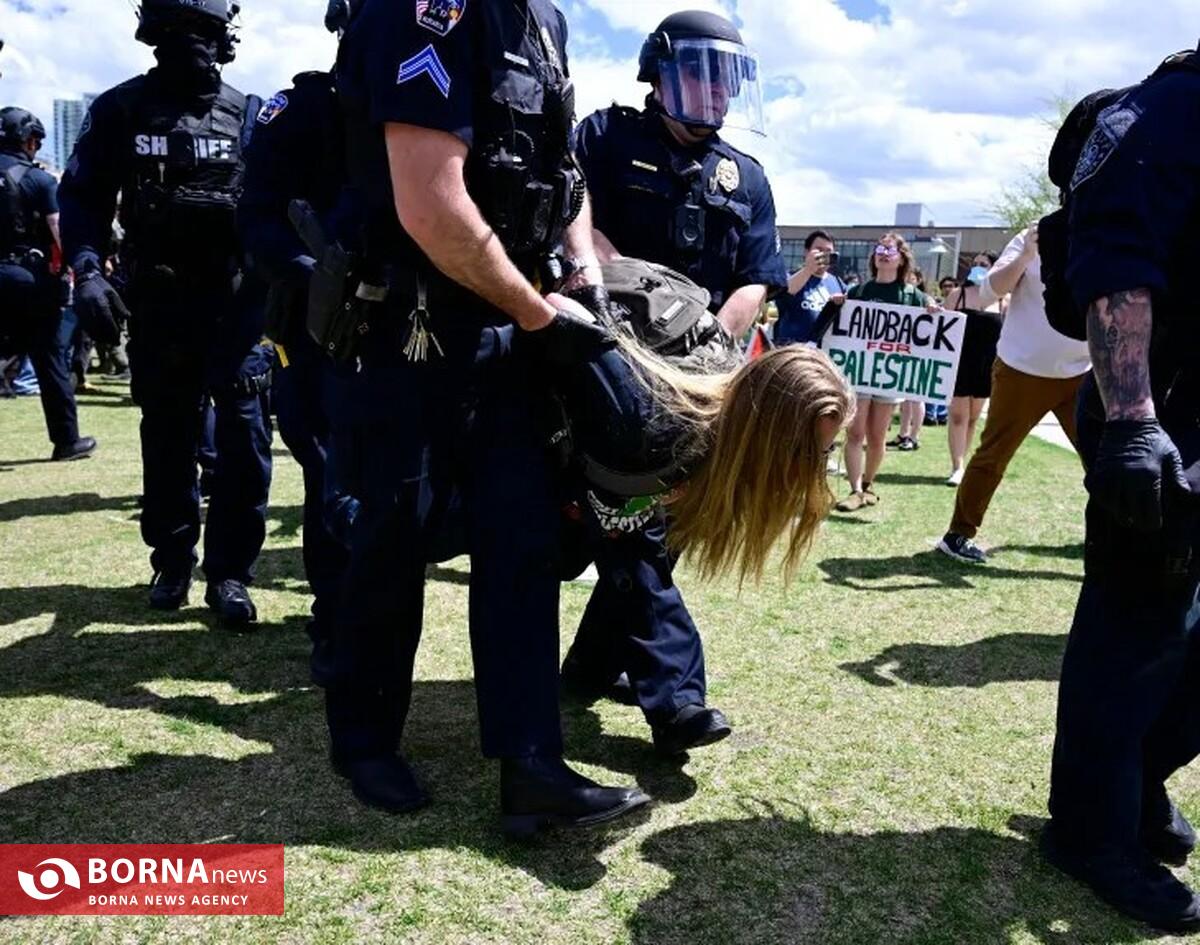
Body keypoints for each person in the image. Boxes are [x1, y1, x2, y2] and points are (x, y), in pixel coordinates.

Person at [324, 0, 651, 835]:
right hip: (411, 329)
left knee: (523, 543)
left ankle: (531, 768)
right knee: (392, 539)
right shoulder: (422, 11)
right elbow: (431, 202)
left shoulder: (542, 20)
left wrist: (581, 269)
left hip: (514, 325)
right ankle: (364, 742)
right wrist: (542, 317)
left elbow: (560, 176)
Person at [563, 9, 787, 750]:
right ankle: (675, 698)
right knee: (633, 528)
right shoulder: (604, 136)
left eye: (727, 78)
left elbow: (756, 280)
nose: (714, 90)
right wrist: (623, 306)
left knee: (661, 527)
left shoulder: (746, 178)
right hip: (605, 361)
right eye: (697, 71)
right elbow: (575, 217)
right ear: (657, 73)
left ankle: (592, 667)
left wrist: (708, 358)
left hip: (698, 383)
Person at [1040, 42, 1200, 933]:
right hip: (1160, 415)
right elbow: (1115, 260)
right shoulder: (1172, 108)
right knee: (1136, 626)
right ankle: (1092, 829)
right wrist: (1134, 420)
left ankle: (1135, 783)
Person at [58, 0, 273, 625]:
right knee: (170, 436)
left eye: (202, 32)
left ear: (223, 36)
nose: (190, 45)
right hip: (158, 300)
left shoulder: (250, 115)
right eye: (175, 32)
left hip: (236, 307)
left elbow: (275, 202)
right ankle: (173, 558)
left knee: (244, 441)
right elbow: (84, 197)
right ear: (152, 36)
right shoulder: (120, 109)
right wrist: (89, 271)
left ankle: (230, 573)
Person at [936, 223, 1090, 564]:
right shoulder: (1033, 234)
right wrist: (1025, 255)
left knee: (1103, 459)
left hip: (1082, 370)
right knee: (993, 456)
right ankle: (958, 535)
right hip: (1022, 370)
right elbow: (990, 291)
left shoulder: (1106, 229)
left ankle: (1111, 535)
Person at [0, 107, 95, 461]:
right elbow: (59, 230)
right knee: (49, 358)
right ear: (26, 139)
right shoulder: (38, 180)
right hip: (29, 280)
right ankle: (66, 440)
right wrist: (75, 271)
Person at [834, 233, 932, 512]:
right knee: (855, 434)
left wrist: (933, 310)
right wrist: (837, 305)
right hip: (860, 374)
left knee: (877, 437)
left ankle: (868, 485)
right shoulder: (859, 292)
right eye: (879, 249)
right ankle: (854, 490)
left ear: (901, 259)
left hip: (889, 376)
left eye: (890, 250)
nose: (883, 253)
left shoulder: (913, 296)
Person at [943, 252, 1003, 485]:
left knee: (972, 418)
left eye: (984, 265)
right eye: (975, 264)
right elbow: (943, 325)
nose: (978, 268)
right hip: (959, 363)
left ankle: (963, 461)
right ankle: (956, 466)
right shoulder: (957, 295)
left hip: (986, 365)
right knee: (958, 416)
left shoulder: (1002, 299)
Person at [774, 229, 845, 346]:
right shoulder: (790, 277)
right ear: (807, 252)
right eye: (819, 250)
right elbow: (785, 291)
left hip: (822, 353)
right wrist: (809, 269)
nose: (824, 255)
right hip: (792, 350)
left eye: (828, 252)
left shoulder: (838, 283)